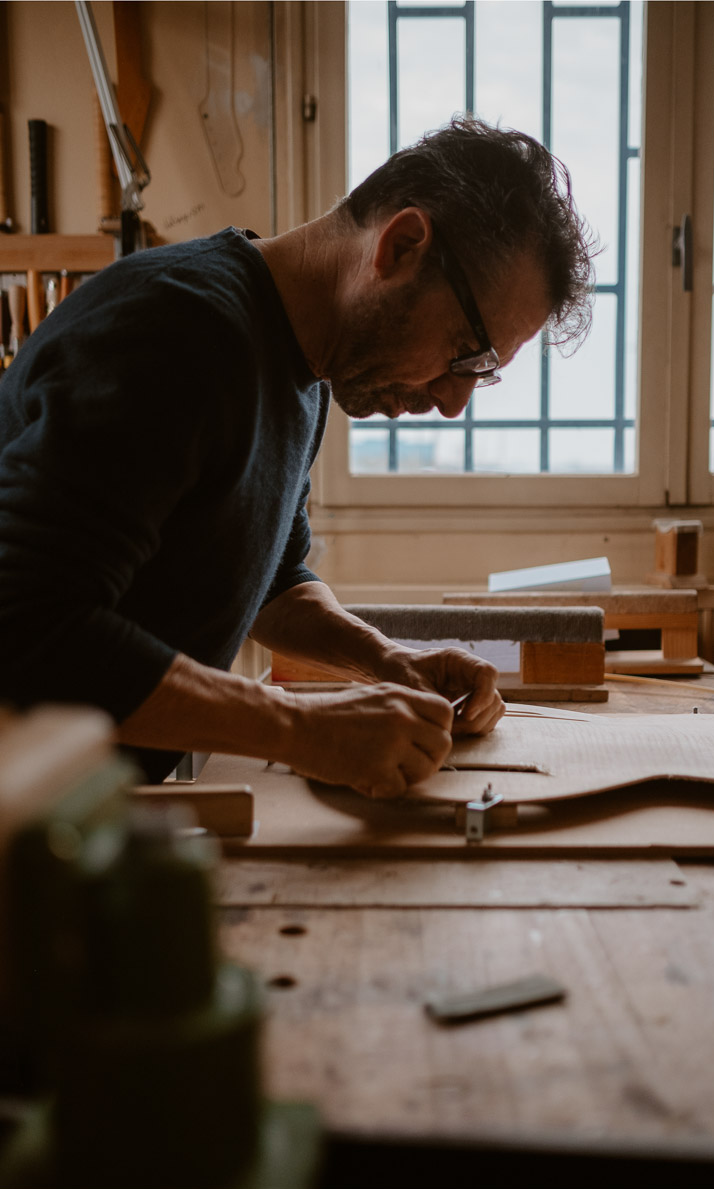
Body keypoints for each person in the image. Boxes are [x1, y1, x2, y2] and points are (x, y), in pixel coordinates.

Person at [0, 118, 594, 799]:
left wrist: (388, 661)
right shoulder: (174, 337)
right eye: (465, 351)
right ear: (400, 246)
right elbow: (24, 624)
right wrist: (301, 730)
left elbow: (270, 578)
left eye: (480, 373)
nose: (455, 401)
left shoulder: (301, 370)